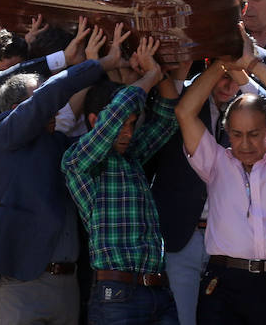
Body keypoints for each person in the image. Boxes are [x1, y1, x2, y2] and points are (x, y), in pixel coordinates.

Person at [0, 23, 128, 325]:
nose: (54, 110)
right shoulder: (2, 136)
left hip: (66, 286)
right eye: (43, 104)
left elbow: (104, 140)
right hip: (22, 284)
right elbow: (49, 95)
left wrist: (130, 80)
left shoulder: (61, 144)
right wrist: (99, 64)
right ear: (16, 109)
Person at [0, 24, 92, 324]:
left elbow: (59, 119)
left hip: (37, 245)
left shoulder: (48, 131)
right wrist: (60, 59)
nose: (14, 77)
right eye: (7, 71)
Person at [174, 25, 266, 325]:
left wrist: (250, 65)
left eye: (254, 134)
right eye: (236, 135)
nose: (245, 144)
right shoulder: (216, 162)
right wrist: (221, 64)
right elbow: (185, 111)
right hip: (223, 284)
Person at [62, 37, 180, 325]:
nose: (127, 132)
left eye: (132, 125)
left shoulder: (133, 156)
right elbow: (117, 113)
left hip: (159, 291)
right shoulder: (78, 161)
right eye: (122, 125)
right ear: (93, 121)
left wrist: (159, 71)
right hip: (117, 296)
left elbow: (167, 118)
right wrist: (149, 76)